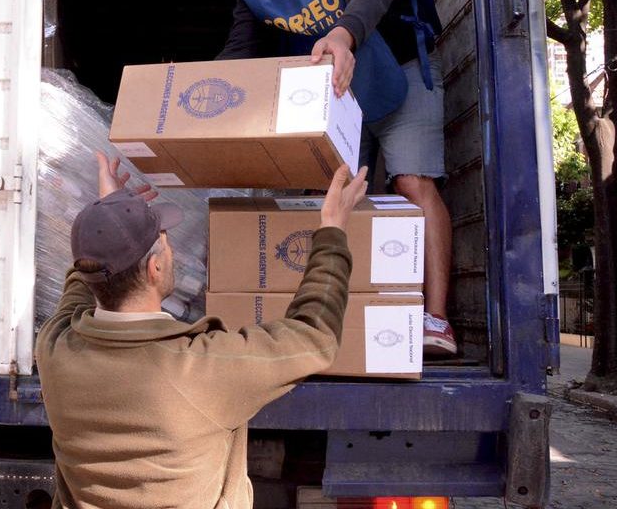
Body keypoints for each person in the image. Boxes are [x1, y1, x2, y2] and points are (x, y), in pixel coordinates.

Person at [35, 155, 368, 509]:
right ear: (155, 266)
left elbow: (82, 281)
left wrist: (111, 216)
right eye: (165, 240)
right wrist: (332, 229)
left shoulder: (56, 349)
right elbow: (314, 336)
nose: (171, 249)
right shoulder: (201, 368)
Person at [217, 0, 456, 356]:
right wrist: (204, 94)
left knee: (412, 182)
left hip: (399, 72)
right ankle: (334, 314)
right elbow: (239, 49)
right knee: (328, 193)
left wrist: (344, 36)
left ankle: (437, 320)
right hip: (333, 91)